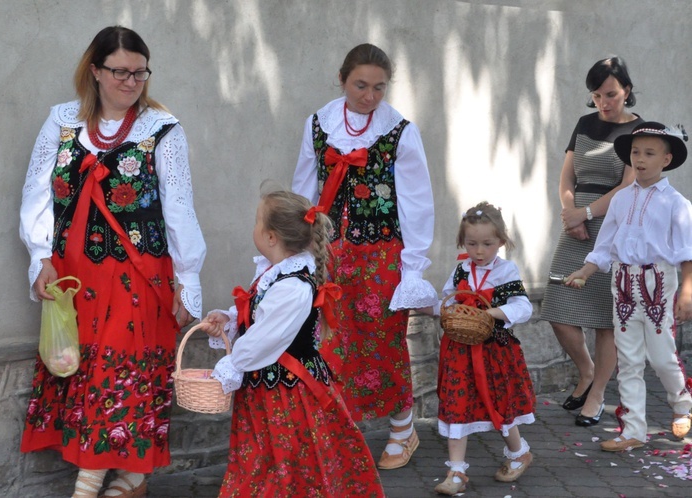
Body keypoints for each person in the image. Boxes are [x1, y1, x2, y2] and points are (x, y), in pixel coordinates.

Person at [18, 26, 206, 498]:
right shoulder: (61, 122)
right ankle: (132, 477)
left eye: (140, 72)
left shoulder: (162, 128)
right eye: (120, 71)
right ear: (96, 71)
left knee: (120, 374)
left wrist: (189, 277)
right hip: (74, 278)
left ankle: (89, 484)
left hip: (136, 275)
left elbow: (180, 207)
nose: (131, 81)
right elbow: (36, 193)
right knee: (80, 369)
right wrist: (40, 257)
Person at [292, 43, 437, 470]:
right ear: (342, 79)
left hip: (382, 256)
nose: (370, 96)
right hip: (330, 253)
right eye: (361, 85)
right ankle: (340, 431)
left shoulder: (400, 131)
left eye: (379, 87)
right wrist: (297, 250)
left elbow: (416, 202)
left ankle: (402, 426)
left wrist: (414, 266)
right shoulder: (318, 124)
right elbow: (304, 190)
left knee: (385, 339)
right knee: (331, 341)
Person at [199, 190, 385, 497]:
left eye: (257, 222)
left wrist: (233, 363)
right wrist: (228, 319)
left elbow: (267, 337)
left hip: (287, 393)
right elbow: (261, 315)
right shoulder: (274, 274)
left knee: (287, 460)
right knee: (266, 458)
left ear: (271, 237)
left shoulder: (294, 285)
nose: (254, 228)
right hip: (267, 389)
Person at [565, 121, 692, 452]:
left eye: (650, 153)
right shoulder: (621, 200)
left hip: (658, 282)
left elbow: (687, 254)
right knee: (629, 358)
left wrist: (689, 291)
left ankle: (682, 405)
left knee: (662, 356)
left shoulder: (677, 204)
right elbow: (605, 245)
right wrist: (586, 271)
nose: (641, 158)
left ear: (666, 160)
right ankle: (633, 428)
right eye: (636, 152)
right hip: (622, 283)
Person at [540, 56, 643, 427]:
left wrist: (586, 215)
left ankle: (597, 393)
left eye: (611, 94)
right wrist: (571, 214)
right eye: (597, 95)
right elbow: (567, 177)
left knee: (604, 319)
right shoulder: (585, 123)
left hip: (612, 226)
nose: (604, 102)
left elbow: (628, 185)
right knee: (556, 305)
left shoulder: (638, 131)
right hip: (576, 225)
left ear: (627, 91)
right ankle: (586, 373)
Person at [433, 202, 535, 495]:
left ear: (501, 241)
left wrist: (489, 314)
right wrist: (450, 311)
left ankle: (518, 453)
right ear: (463, 242)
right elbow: (449, 298)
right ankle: (455, 472)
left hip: (493, 351)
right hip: (460, 350)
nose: (479, 251)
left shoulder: (505, 271)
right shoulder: (460, 270)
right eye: (472, 243)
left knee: (499, 403)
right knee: (456, 404)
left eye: (487, 244)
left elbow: (522, 306)